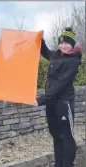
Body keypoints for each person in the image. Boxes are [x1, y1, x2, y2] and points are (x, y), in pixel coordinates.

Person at [34, 27, 82, 167]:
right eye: (61, 43)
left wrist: (40, 99)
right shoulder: (56, 55)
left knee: (66, 135)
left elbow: (61, 83)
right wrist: (41, 40)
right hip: (51, 103)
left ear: (72, 44)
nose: (63, 46)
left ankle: (68, 164)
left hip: (64, 102)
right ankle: (58, 163)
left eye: (67, 43)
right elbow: (45, 52)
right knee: (55, 135)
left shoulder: (73, 61)